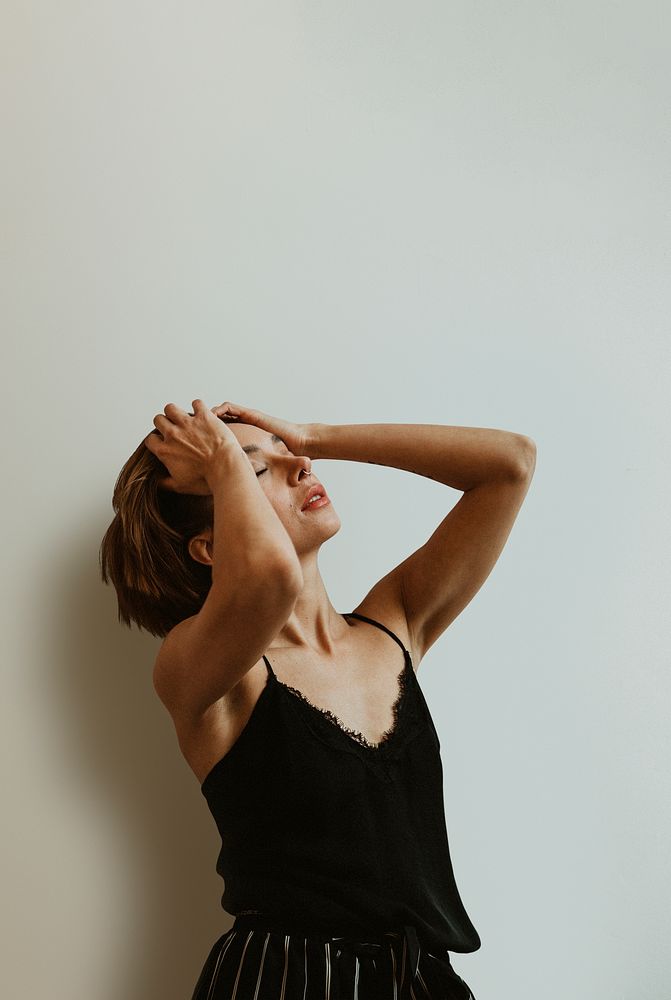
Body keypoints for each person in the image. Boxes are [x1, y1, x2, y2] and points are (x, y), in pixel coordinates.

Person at [100, 399, 536, 1000]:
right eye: (258, 470)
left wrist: (313, 435)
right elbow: (269, 579)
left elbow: (509, 464)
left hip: (420, 981)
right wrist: (227, 458)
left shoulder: (396, 625)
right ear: (207, 547)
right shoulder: (205, 672)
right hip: (281, 981)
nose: (299, 466)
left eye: (289, 455)